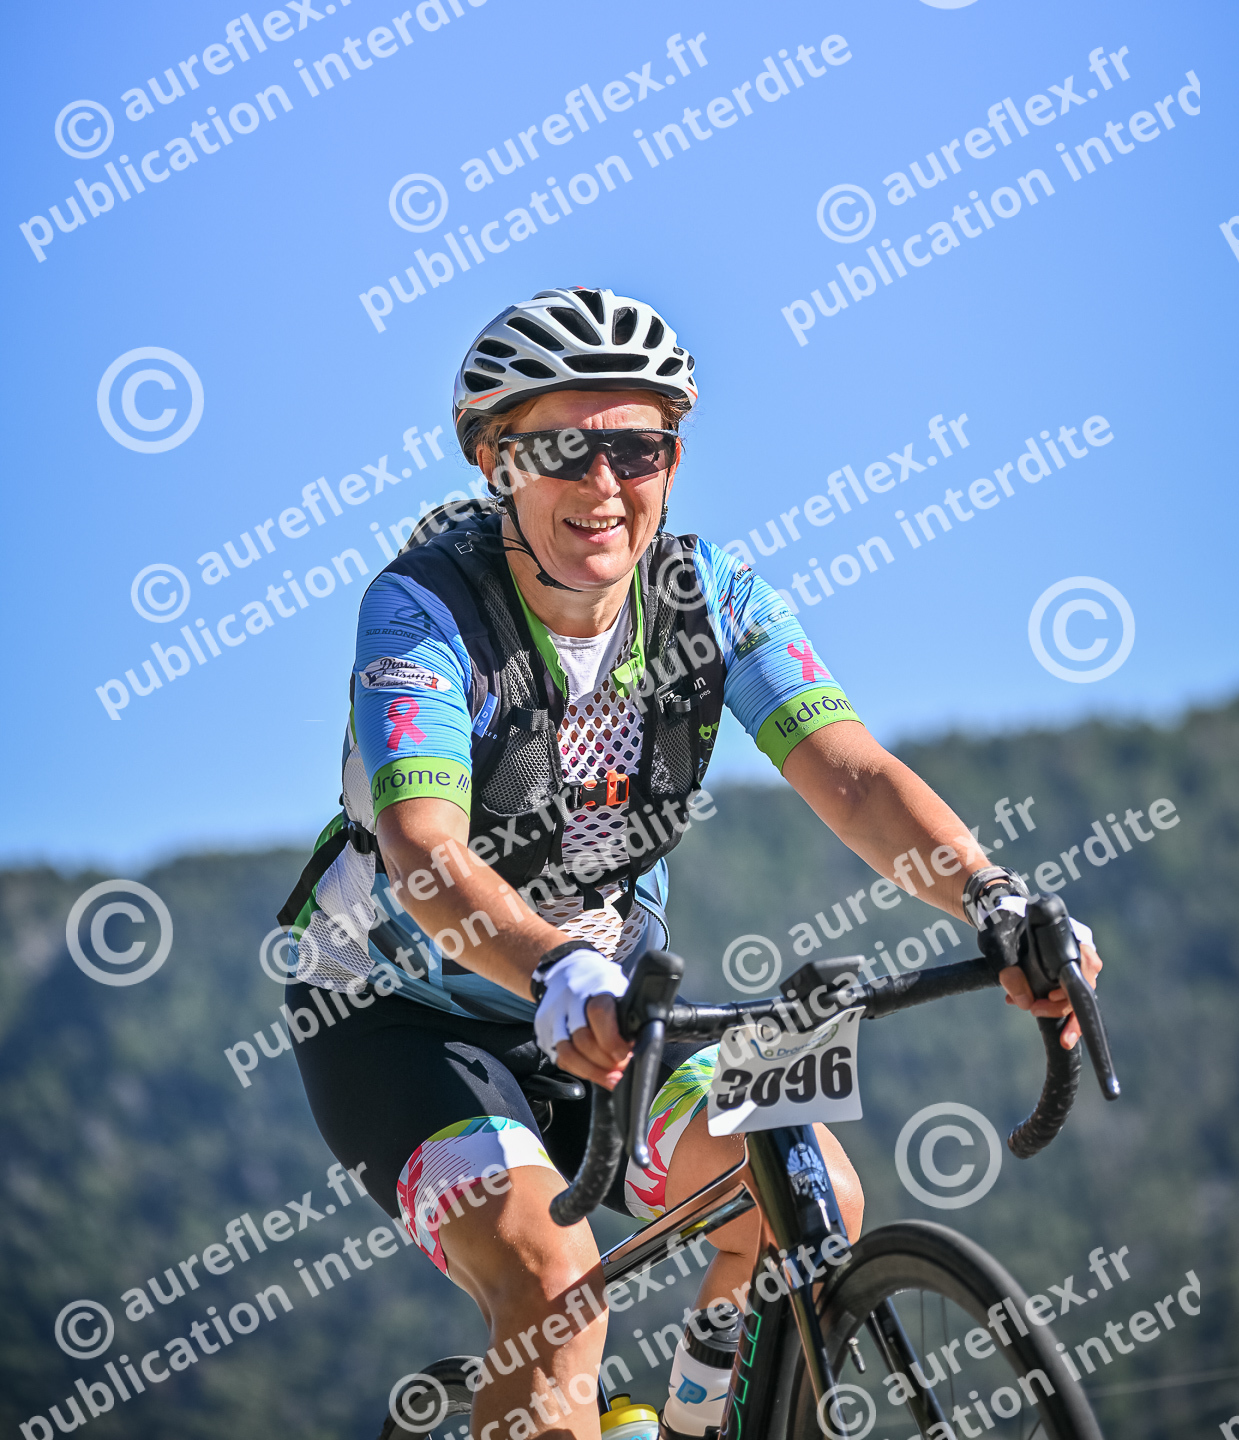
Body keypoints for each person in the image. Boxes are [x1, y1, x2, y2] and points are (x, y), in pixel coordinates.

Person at [281, 285, 1101, 1440]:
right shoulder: (423, 611)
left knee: (808, 1200)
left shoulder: (712, 600)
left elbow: (853, 776)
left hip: (617, 1009)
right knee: (553, 1288)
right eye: (562, 450)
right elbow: (424, 851)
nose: (604, 483)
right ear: (493, 458)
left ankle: (693, 1423)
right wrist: (552, 964)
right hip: (401, 1017)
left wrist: (994, 897)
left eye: (638, 448)